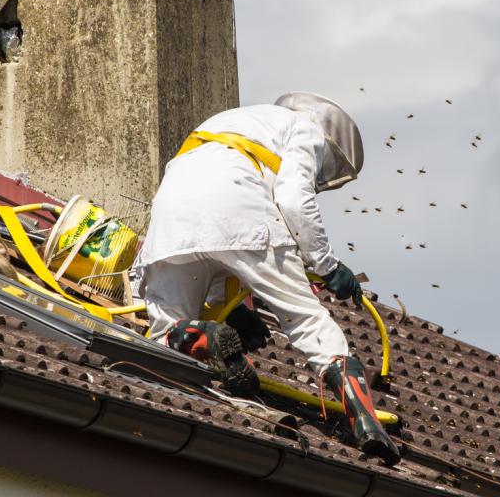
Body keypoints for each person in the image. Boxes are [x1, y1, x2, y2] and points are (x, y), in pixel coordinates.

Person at [134, 92, 400, 464]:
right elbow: (293, 199)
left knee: (162, 332)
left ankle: (203, 336)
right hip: (240, 205)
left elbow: (211, 244)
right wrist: (328, 266)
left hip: (171, 215)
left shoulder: (234, 121)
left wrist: (231, 315)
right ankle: (368, 425)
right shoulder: (305, 131)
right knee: (308, 322)